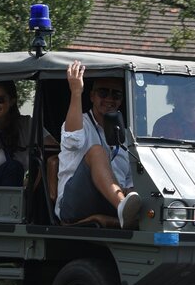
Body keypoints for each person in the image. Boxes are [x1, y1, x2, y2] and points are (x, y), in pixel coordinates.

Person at [55, 63, 140, 229]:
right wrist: (76, 92)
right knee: (96, 151)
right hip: (75, 204)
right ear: (92, 96)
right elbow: (72, 141)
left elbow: (130, 179)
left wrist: (130, 191)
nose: (109, 99)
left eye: (116, 95)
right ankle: (123, 207)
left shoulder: (125, 134)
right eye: (103, 92)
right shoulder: (81, 123)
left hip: (110, 202)